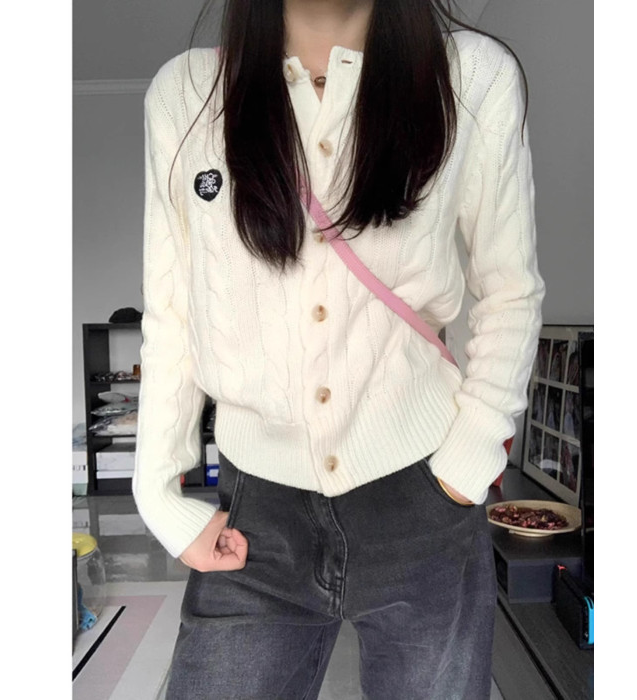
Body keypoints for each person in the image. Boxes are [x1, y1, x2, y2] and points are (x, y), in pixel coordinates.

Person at [133, 0, 545, 698]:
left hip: (424, 494)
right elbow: (173, 312)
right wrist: (157, 493)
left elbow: (509, 290)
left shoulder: (471, 79)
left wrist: (468, 461)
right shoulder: (187, 95)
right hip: (255, 519)